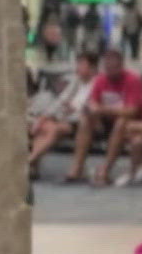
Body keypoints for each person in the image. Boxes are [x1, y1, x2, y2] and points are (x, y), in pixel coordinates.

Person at [64, 49, 142, 186]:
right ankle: (77, 167)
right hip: (106, 120)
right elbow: (93, 103)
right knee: (86, 120)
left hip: (131, 123)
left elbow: (131, 111)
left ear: (121, 66)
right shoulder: (101, 79)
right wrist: (93, 111)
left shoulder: (133, 80)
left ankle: (106, 169)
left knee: (121, 122)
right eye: (107, 68)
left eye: (113, 68)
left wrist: (102, 110)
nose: (110, 72)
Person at [26, 51, 96, 179]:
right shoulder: (77, 81)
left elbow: (88, 106)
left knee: (53, 129)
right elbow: (60, 101)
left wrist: (73, 108)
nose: (78, 68)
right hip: (63, 118)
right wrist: (43, 118)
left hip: (79, 120)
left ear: (92, 67)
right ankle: (31, 164)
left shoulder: (96, 84)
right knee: (44, 126)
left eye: (81, 64)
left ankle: (29, 161)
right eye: (78, 64)